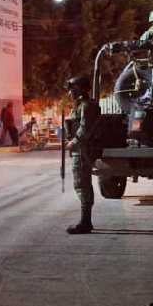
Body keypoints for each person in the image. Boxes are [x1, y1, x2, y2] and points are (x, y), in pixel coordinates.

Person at [64, 75, 101, 234]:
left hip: (83, 150)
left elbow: (85, 128)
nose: (70, 92)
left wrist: (74, 142)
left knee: (82, 184)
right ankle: (86, 220)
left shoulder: (87, 106)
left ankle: (86, 222)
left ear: (79, 89)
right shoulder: (81, 105)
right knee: (82, 183)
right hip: (81, 149)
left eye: (72, 89)